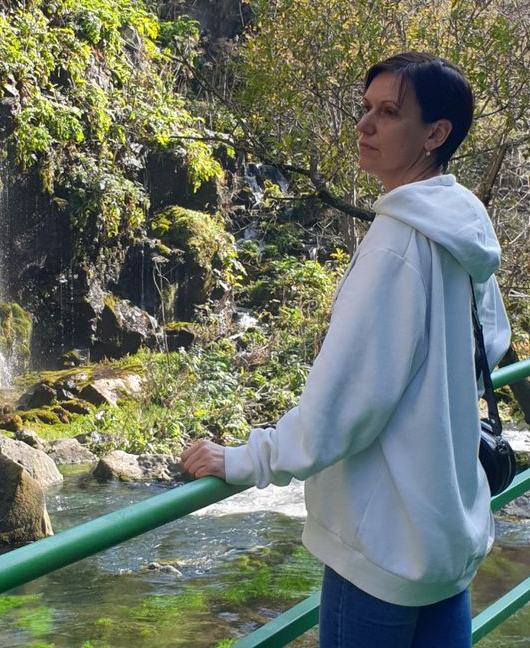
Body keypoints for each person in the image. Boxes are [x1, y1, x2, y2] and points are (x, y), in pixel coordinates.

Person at [180, 51, 510, 648]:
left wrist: (246, 459)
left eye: (388, 113)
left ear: (436, 134)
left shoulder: (396, 244)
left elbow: (344, 402)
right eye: (365, 109)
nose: (364, 126)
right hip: (446, 538)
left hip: (382, 548)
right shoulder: (463, 226)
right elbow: (494, 341)